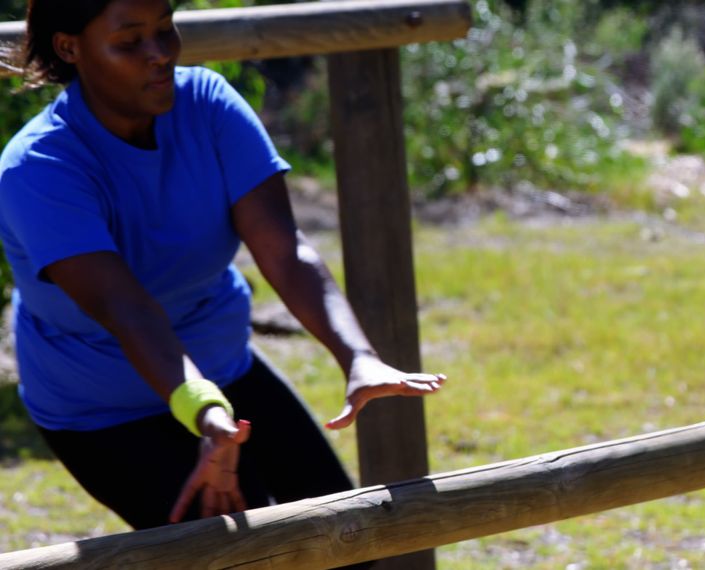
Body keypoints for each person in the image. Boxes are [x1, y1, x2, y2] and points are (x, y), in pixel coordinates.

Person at [0, 0, 445, 530]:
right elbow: (127, 311)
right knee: (247, 554)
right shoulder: (41, 168)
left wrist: (358, 357)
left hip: (223, 364)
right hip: (102, 407)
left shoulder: (207, 104)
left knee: (348, 535)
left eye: (165, 30)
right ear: (69, 47)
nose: (159, 54)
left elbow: (283, 249)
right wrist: (208, 414)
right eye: (130, 42)